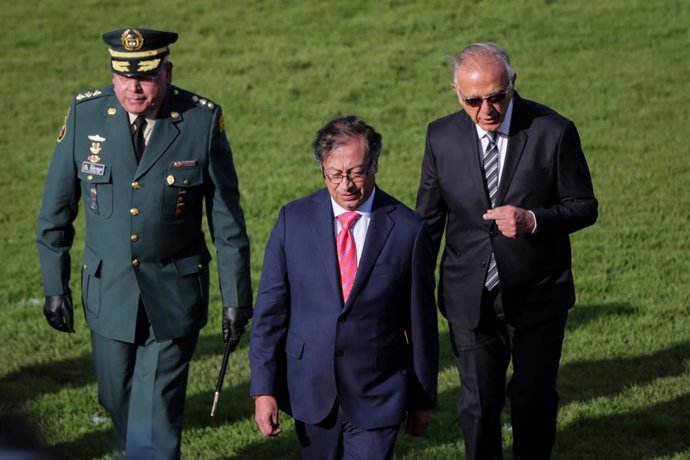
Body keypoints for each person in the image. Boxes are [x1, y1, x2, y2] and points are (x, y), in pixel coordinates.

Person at [35, 28, 253, 459]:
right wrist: (54, 285)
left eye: (146, 76)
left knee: (154, 418)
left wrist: (236, 298)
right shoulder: (85, 116)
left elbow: (227, 220)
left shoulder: (201, 120)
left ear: (167, 72)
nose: (133, 87)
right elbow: (55, 212)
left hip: (174, 294)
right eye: (123, 76)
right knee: (117, 400)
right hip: (109, 293)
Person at [415, 43, 598, 459]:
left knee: (533, 402)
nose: (487, 110)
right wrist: (413, 294)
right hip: (469, 297)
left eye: (497, 96)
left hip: (538, 294)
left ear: (513, 84)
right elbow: (427, 224)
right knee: (478, 408)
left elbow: (584, 206)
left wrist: (533, 220)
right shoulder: (440, 137)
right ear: (456, 94)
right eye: (473, 101)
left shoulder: (554, 130)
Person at [250, 115, 439, 460]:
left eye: (356, 172)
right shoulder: (293, 220)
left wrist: (423, 398)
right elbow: (270, 311)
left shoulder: (409, 231)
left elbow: (421, 323)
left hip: (378, 392)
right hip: (311, 391)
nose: (345, 185)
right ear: (322, 169)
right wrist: (264, 389)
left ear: (375, 166)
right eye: (335, 174)